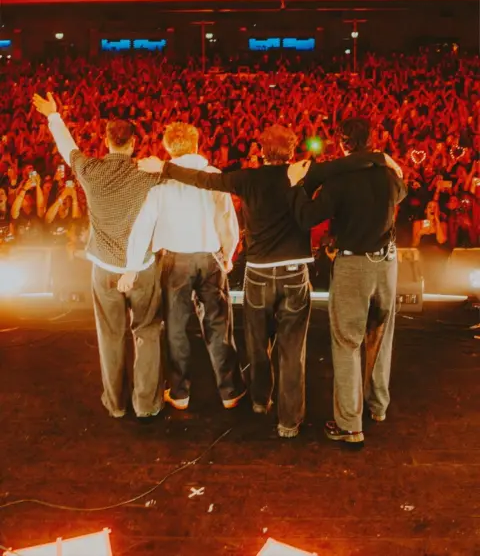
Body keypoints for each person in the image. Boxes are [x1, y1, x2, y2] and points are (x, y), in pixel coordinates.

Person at [139, 125, 395, 439]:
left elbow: (203, 180)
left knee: (257, 345)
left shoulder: (247, 178)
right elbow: (340, 165)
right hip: (293, 274)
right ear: (291, 151)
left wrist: (164, 167)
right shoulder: (301, 173)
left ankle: (261, 400)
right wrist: (380, 158)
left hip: (259, 274)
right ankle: (289, 422)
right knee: (291, 351)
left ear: (261, 150)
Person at [32, 92, 166, 422]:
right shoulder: (148, 174)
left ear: (106, 140)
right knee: (147, 333)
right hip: (143, 268)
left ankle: (117, 404)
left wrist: (54, 116)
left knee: (110, 336)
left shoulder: (90, 170)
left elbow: (68, 150)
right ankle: (146, 404)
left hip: (104, 267)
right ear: (134, 142)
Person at [288, 118, 407, 449]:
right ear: (371, 140)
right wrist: (388, 162)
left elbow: (307, 217)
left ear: (341, 143)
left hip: (355, 264)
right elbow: (402, 191)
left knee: (347, 342)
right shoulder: (388, 175)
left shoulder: (337, 181)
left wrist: (298, 186)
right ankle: (377, 406)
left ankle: (350, 425)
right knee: (380, 337)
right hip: (388, 262)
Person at [127, 122, 244, 411]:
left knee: (176, 328)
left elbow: (144, 223)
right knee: (219, 325)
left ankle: (179, 393)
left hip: (175, 260)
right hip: (209, 257)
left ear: (167, 147)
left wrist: (132, 263)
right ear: (196, 143)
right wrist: (228, 253)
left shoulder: (160, 179)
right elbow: (227, 220)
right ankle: (230, 391)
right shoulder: (214, 175)